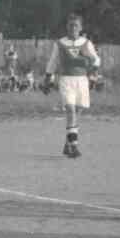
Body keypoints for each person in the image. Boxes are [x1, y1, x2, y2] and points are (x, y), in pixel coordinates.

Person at [43, 13, 100, 158]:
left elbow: (97, 61)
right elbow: (53, 61)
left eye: (76, 25)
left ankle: (67, 143)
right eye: (70, 25)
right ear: (66, 27)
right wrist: (47, 79)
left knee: (77, 111)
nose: (73, 28)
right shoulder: (60, 43)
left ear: (81, 27)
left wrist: (91, 69)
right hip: (66, 80)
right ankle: (74, 146)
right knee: (70, 109)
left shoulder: (86, 43)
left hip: (82, 81)